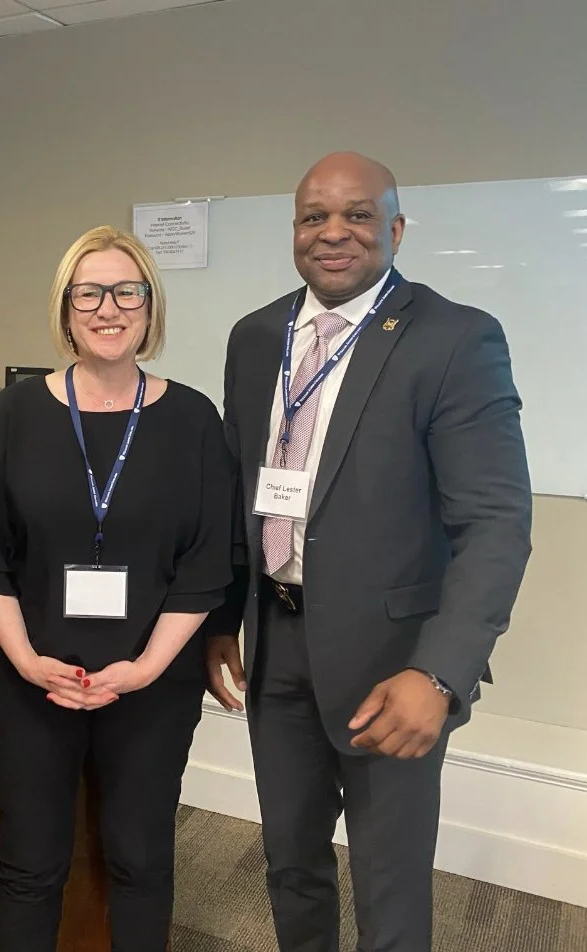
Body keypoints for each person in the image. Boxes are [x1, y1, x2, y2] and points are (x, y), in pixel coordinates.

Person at [203, 152, 532, 952]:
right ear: (294, 229)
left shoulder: (454, 338)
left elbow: (495, 523)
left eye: (356, 214)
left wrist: (441, 673)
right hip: (275, 644)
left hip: (393, 665)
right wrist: (222, 621)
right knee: (289, 862)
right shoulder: (255, 338)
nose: (333, 233)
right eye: (314, 216)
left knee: (388, 882)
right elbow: (239, 494)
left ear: (396, 227)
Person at [0, 225, 234, 951]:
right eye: (88, 291)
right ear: (65, 310)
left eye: (128, 290)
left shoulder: (191, 419)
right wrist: (27, 659)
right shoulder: (20, 410)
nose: (109, 307)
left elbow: (206, 561)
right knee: (30, 865)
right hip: (33, 681)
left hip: (152, 682)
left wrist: (148, 668)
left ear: (151, 308)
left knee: (142, 858)